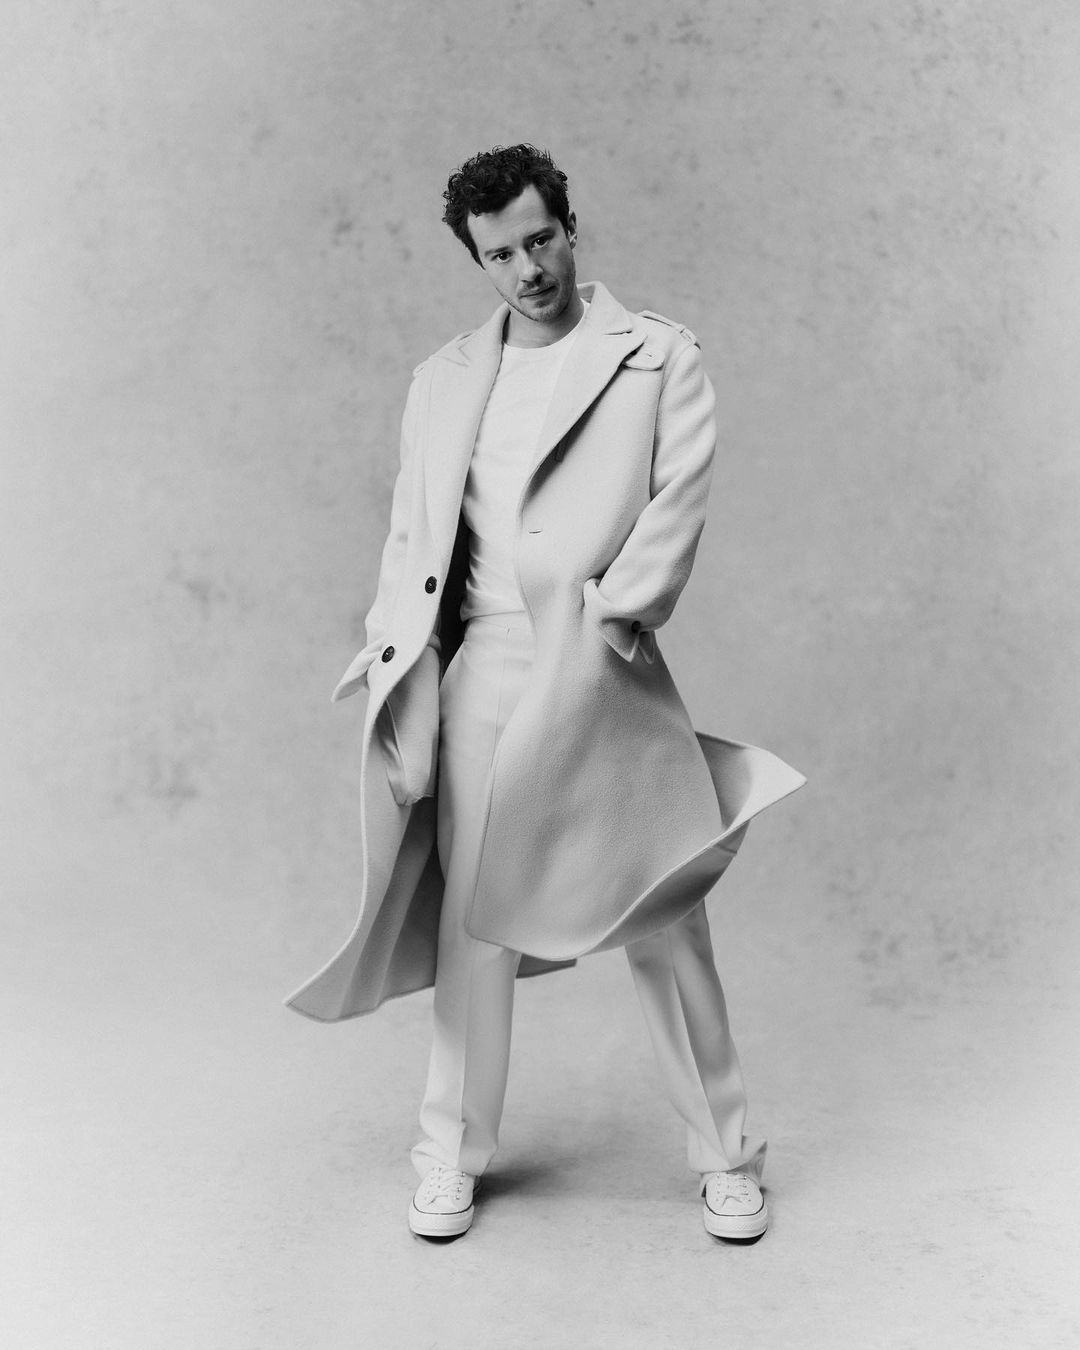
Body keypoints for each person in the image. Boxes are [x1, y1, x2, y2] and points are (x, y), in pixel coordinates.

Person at [285, 145, 804, 1242]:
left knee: (664, 910)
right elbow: (412, 538)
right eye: (500, 255)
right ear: (476, 260)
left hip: (601, 661)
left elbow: (678, 501)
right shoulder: (442, 380)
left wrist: (617, 615)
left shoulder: (656, 356)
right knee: (476, 919)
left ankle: (726, 1154)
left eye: (541, 240)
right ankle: (449, 1154)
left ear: (571, 227)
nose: (527, 270)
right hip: (481, 667)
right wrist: (393, 663)